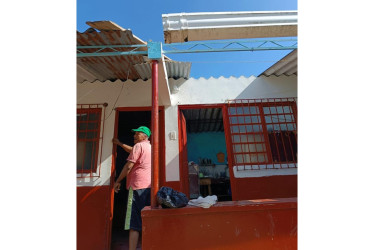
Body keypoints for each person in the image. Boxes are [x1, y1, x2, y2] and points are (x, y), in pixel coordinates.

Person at [113, 126, 152, 250]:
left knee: (133, 223)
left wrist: (117, 181)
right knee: (145, 218)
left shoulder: (138, 146)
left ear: (145, 135)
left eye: (138, 134)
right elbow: (132, 151)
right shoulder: (149, 147)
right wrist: (120, 144)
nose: (134, 136)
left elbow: (128, 166)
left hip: (136, 187)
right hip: (148, 187)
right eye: (134, 134)